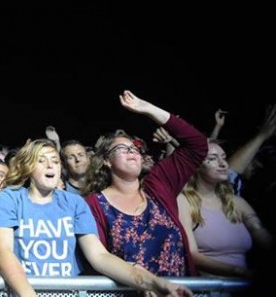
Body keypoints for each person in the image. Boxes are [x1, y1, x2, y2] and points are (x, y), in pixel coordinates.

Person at [0, 137, 193, 297]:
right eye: (41, 161)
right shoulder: (11, 198)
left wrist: (156, 282)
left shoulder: (74, 203)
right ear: (28, 168)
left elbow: (100, 256)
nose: (50, 166)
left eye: (55, 161)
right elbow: (3, 251)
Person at [84, 90, 208, 276]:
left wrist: (148, 109)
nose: (132, 151)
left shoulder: (158, 185)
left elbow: (197, 145)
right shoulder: (94, 204)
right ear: (106, 161)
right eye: (122, 148)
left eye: (135, 148)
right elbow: (100, 260)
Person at [178, 141, 273, 277]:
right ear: (196, 165)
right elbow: (191, 255)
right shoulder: (184, 201)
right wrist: (239, 272)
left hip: (241, 286)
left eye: (224, 157)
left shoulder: (236, 202)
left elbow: (260, 233)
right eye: (212, 159)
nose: (223, 164)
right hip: (210, 288)